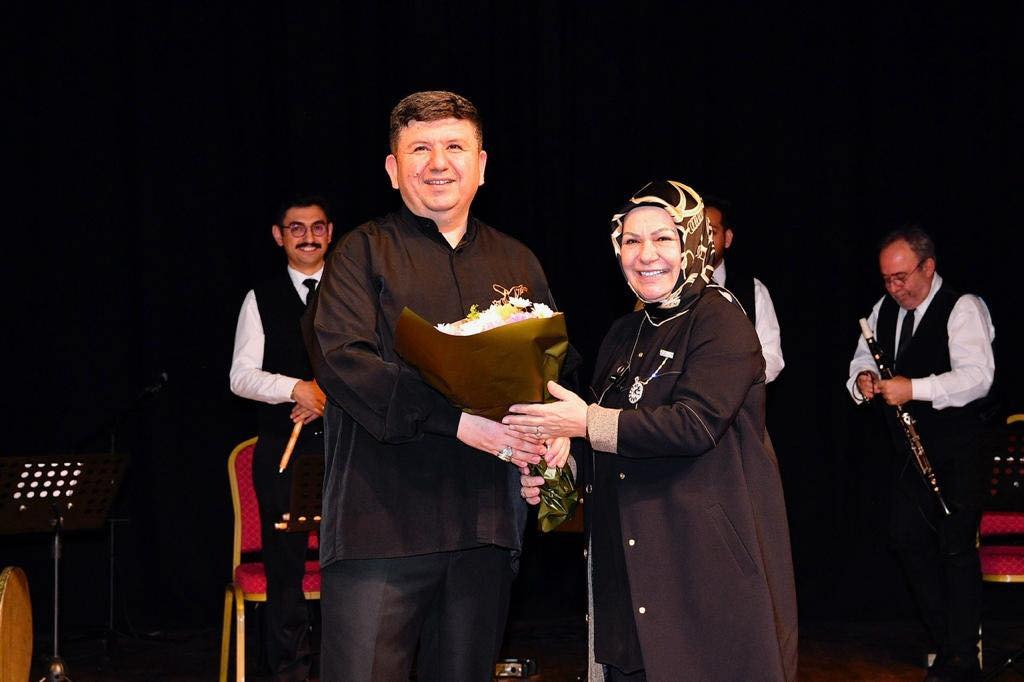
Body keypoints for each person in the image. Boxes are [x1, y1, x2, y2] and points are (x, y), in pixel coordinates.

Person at [307, 90, 571, 681]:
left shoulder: (518, 261)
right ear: (392, 168)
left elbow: (553, 371)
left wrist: (554, 434)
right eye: (419, 149)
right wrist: (458, 423)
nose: (438, 163)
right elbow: (345, 364)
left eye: (455, 146)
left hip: (486, 523)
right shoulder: (360, 254)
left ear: (482, 164)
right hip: (380, 523)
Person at [505, 180, 798, 681]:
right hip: (629, 571)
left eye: (663, 238)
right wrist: (560, 467)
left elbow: (695, 424)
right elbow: (606, 440)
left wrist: (585, 422)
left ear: (694, 242)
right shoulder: (623, 332)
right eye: (631, 240)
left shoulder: (721, 319)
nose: (646, 255)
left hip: (699, 569)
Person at [846, 225, 995, 682]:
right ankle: (948, 643)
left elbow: (978, 377)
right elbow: (862, 359)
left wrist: (914, 388)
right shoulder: (883, 309)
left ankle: (963, 658)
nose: (894, 288)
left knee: (955, 549)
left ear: (928, 267)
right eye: (887, 279)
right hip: (910, 454)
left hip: (959, 450)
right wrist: (862, 381)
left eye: (902, 277)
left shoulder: (962, 307)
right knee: (906, 539)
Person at [229, 195, 332, 682]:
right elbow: (241, 377)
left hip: (347, 450)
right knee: (286, 571)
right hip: (282, 454)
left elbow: (378, 365)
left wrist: (326, 396)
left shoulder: (353, 291)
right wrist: (296, 389)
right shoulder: (261, 297)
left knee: (351, 566)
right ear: (279, 236)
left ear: (330, 232)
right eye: (296, 228)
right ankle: (289, 672)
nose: (308, 237)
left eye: (317, 227)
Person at [704, 196, 785, 383]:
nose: (703, 241)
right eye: (697, 233)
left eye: (711, 232)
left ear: (727, 238)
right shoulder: (669, 289)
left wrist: (732, 381)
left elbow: (772, 357)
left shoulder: (753, 289)